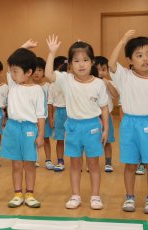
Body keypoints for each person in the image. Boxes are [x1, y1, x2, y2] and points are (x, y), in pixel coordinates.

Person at [45, 35, 109, 210]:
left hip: (92, 127)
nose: (81, 64)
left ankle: (95, 196)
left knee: (93, 163)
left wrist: (106, 129)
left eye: (86, 60)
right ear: (70, 65)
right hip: (73, 126)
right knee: (75, 163)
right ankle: (75, 195)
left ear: (92, 62)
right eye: (76, 61)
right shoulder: (66, 80)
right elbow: (48, 74)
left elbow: (104, 108)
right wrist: (52, 53)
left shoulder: (98, 84)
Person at [0, 40, 45, 208]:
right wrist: (23, 47)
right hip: (12, 127)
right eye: (11, 71)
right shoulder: (13, 83)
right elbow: (12, 60)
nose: (12, 74)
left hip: (29, 129)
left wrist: (40, 134)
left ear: (28, 72)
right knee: (16, 164)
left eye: (15, 71)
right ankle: (18, 193)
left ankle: (30, 194)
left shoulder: (37, 90)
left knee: (29, 163)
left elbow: (41, 115)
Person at [108, 30, 148, 213]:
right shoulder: (125, 76)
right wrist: (123, 39)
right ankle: (130, 197)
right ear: (130, 60)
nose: (145, 59)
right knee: (130, 164)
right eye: (139, 55)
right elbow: (111, 63)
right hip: (130, 124)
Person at [94, 56, 119, 172]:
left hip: (106, 115)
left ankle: (108, 163)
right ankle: (92, 163)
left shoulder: (109, 82)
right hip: (93, 117)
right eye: (97, 69)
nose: (100, 72)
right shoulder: (90, 83)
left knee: (107, 140)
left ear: (108, 71)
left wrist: (107, 83)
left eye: (103, 69)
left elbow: (116, 95)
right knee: (93, 141)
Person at [32, 57, 54, 170]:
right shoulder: (29, 86)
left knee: (46, 139)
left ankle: (48, 160)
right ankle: (34, 159)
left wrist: (50, 118)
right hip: (31, 119)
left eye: (40, 70)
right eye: (34, 70)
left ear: (44, 72)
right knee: (32, 139)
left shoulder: (48, 86)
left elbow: (50, 103)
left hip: (44, 119)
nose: (36, 73)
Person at [47, 56, 68, 172]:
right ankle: (60, 161)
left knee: (75, 139)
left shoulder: (71, 81)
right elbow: (50, 104)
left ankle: (79, 161)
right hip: (59, 112)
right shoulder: (52, 85)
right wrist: (51, 118)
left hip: (71, 112)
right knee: (60, 138)